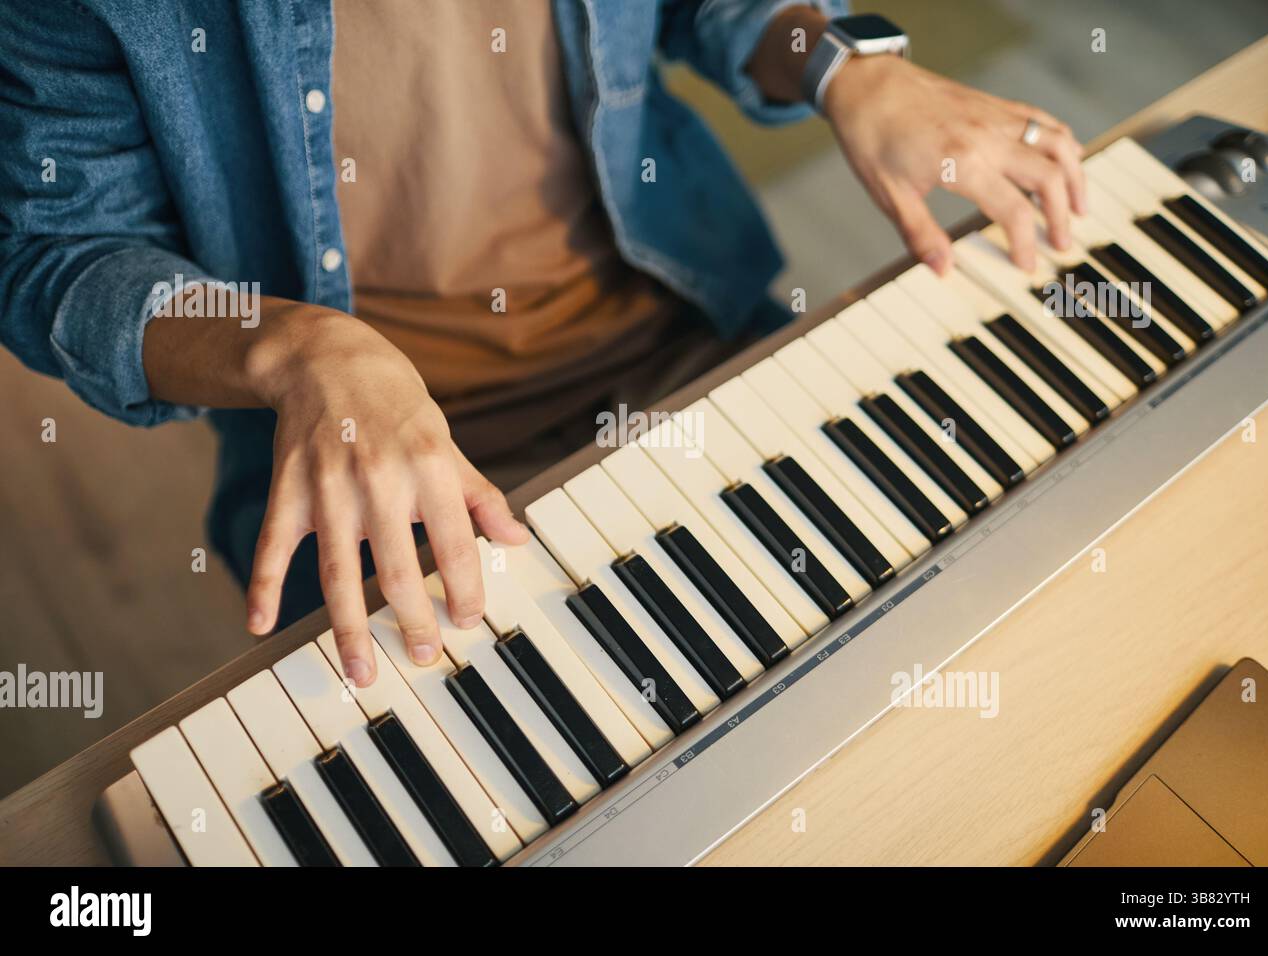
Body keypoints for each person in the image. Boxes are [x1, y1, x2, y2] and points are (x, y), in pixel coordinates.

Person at [0, 1, 1084, 688]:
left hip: (699, 350)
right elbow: (59, 251)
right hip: (392, 485)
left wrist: (848, 64)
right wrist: (293, 347)